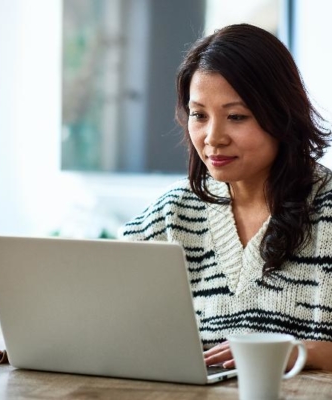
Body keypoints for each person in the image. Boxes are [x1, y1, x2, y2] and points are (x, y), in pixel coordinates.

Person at [119, 23, 332, 371]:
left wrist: (296, 353)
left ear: (281, 114)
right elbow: (106, 321)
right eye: (199, 115)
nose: (213, 137)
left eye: (236, 116)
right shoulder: (171, 214)